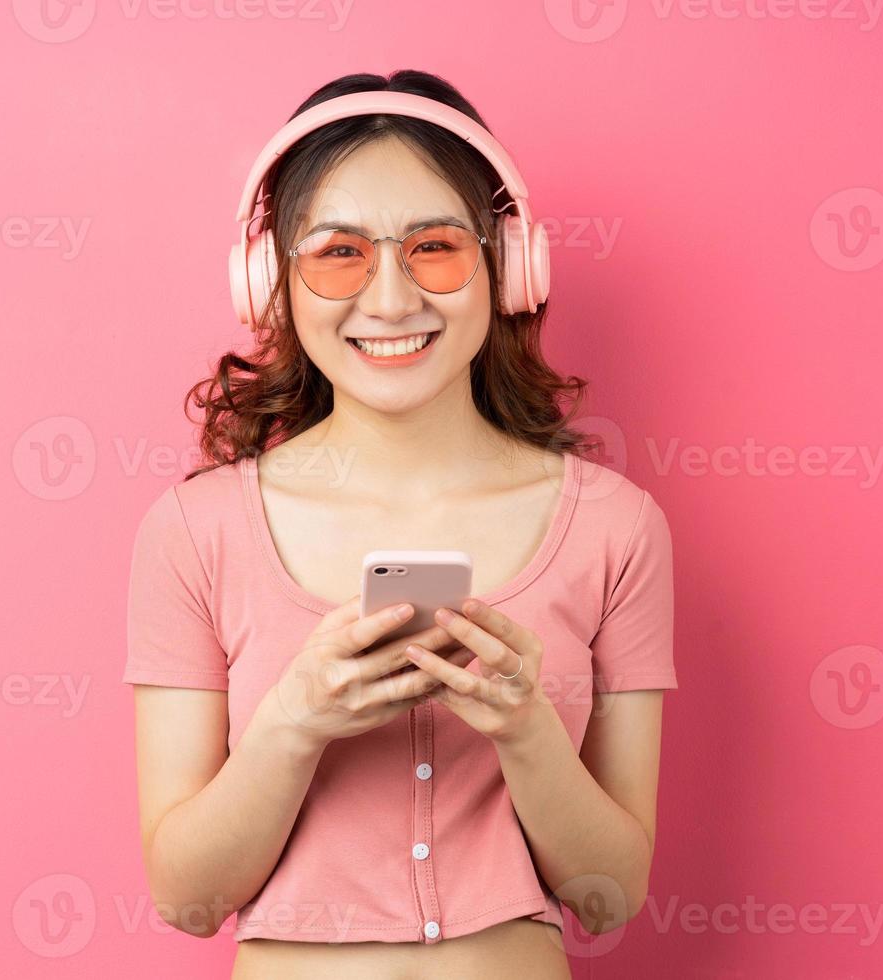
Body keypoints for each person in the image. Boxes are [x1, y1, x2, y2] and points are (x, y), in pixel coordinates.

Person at [126, 69, 677, 980]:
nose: (389, 299)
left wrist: (526, 730)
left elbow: (609, 896)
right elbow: (187, 901)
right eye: (339, 252)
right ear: (271, 282)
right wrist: (293, 724)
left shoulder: (618, 530)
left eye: (433, 247)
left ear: (508, 266)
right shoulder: (194, 532)